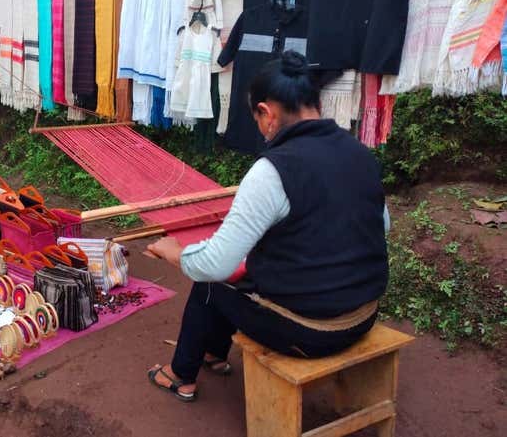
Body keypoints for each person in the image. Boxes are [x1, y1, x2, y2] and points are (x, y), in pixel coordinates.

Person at [146, 51, 390, 402]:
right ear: (315, 103)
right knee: (240, 275)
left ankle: (180, 375)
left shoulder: (273, 171)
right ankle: (213, 354)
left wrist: (177, 253)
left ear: (267, 113)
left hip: (311, 333)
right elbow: (380, 228)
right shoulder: (361, 155)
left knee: (211, 283)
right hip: (363, 315)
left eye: (257, 118)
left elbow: (214, 264)